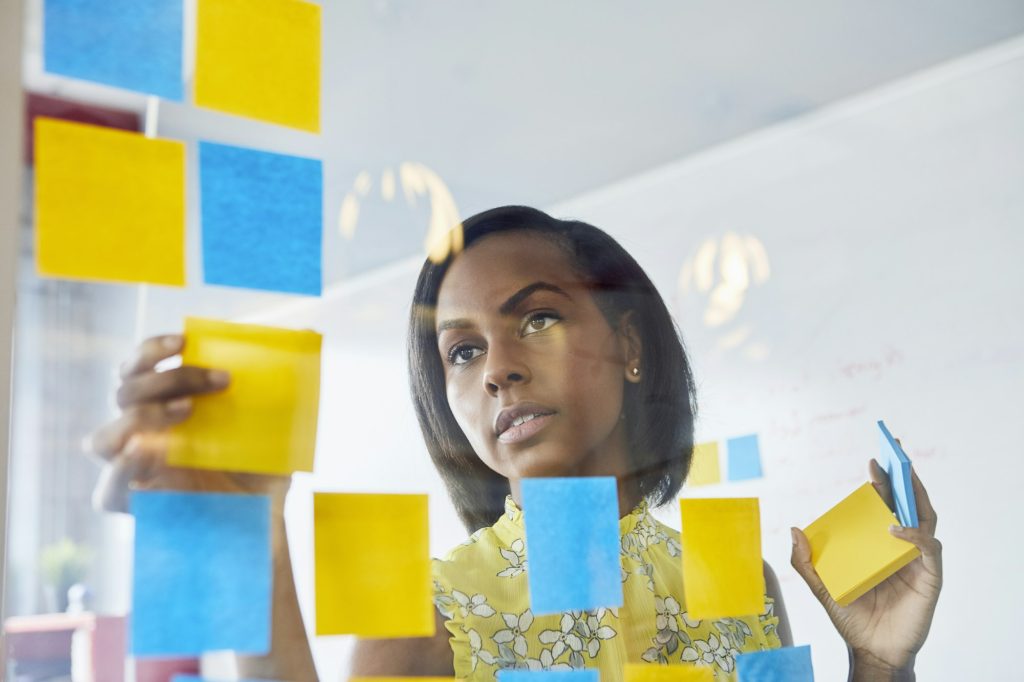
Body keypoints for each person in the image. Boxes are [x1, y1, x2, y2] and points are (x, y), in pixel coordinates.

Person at [88, 206, 942, 681]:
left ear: (633, 347)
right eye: (461, 351)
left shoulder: (743, 582)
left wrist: (878, 663)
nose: (497, 369)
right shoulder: (428, 614)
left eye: (537, 318)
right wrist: (249, 549)